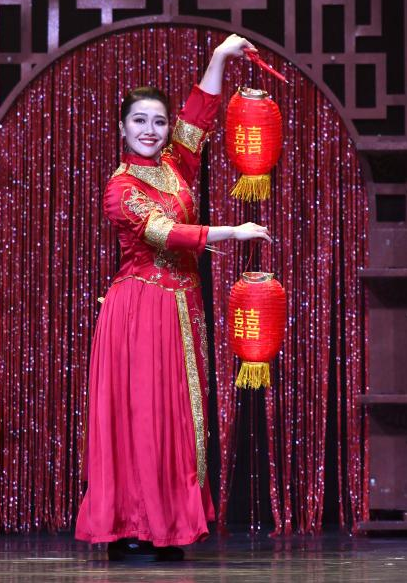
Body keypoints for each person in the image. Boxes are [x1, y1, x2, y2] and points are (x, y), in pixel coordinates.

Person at [74, 34, 271, 561]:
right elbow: (165, 233)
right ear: (121, 127)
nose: (151, 130)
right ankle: (134, 524)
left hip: (181, 308)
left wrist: (220, 57)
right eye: (139, 121)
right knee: (142, 417)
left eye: (158, 122)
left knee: (176, 420)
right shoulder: (120, 188)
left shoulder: (174, 166)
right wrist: (233, 231)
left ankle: (169, 524)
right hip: (139, 311)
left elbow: (199, 115)